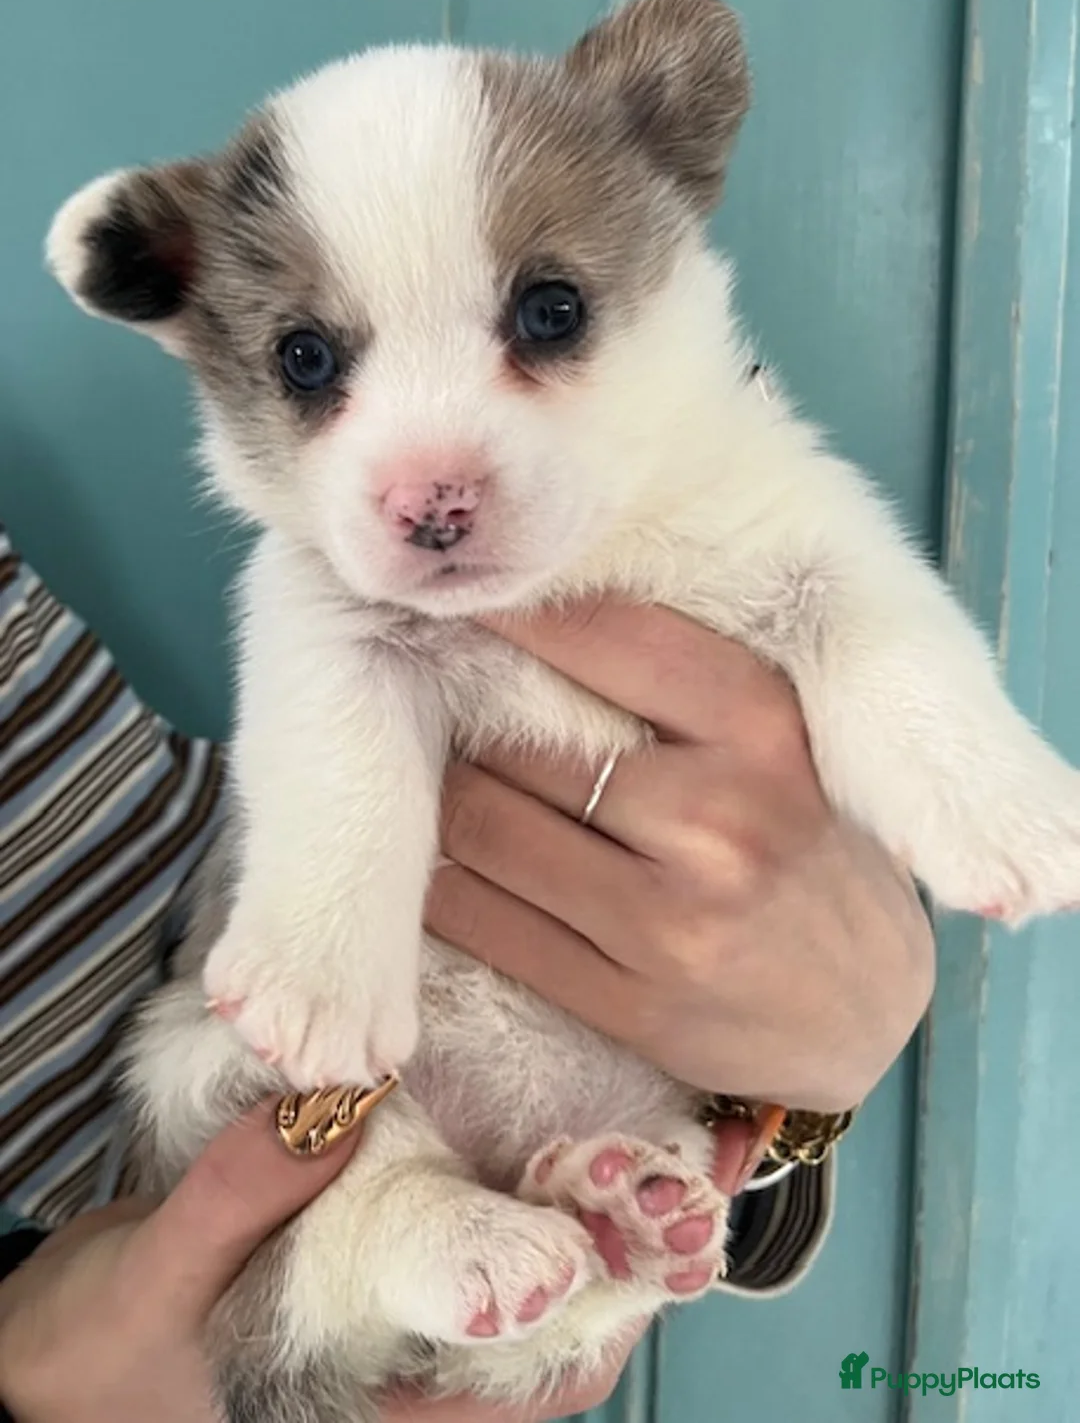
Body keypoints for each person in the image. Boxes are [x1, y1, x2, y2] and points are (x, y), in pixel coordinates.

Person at [0, 524, 934, 1419]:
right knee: (202, 1076)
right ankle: (398, 1244)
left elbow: (192, 830)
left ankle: (532, 1260)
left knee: (576, 1230)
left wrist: (798, 1073)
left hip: (481, 1068)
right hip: (213, 1201)